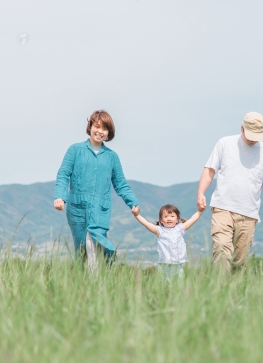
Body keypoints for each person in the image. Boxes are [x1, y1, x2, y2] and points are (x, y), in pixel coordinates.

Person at [53, 110, 140, 271]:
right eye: (97, 127)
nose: (100, 132)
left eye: (104, 129)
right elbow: (63, 174)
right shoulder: (75, 150)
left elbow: (120, 184)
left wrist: (132, 202)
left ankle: (98, 281)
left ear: (109, 133)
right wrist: (60, 196)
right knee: (82, 250)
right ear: (90, 126)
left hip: (100, 210)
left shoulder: (112, 157)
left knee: (97, 245)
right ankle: (84, 287)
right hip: (77, 209)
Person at [197, 112, 263, 272]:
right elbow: (210, 169)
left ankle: (233, 294)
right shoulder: (225, 143)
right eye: (249, 134)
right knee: (222, 248)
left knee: (239, 261)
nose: (252, 139)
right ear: (242, 128)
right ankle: (219, 291)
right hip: (223, 206)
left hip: (249, 213)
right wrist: (201, 193)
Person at [132, 204, 204, 281]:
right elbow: (146, 223)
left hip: (179, 264)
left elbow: (192, 220)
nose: (169, 218)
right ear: (161, 220)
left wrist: (199, 212)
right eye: (166, 216)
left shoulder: (180, 228)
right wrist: (136, 215)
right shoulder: (159, 230)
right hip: (164, 264)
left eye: (172, 216)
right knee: (164, 284)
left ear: (177, 219)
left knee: (179, 284)